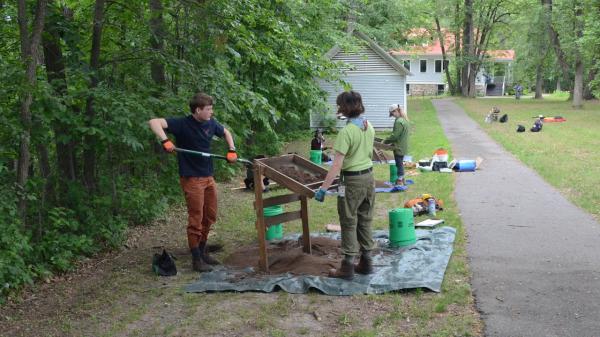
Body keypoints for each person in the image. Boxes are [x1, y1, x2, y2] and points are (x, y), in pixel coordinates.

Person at [148, 92, 237, 273]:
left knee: (210, 215)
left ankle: (203, 250)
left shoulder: (211, 123)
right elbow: (154, 122)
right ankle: (196, 260)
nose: (211, 112)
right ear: (198, 110)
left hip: (208, 177)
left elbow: (226, 132)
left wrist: (232, 149)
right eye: (209, 109)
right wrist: (165, 140)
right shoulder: (182, 124)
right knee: (196, 218)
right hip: (191, 178)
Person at [314, 91, 376, 280]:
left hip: (351, 181)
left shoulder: (346, 132)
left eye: (339, 105)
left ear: (346, 107)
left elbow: (336, 165)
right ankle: (366, 262)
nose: (338, 108)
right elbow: (369, 155)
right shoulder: (368, 126)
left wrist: (323, 188)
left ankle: (347, 267)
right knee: (365, 219)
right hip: (369, 178)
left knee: (348, 222)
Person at [384, 104, 410, 186]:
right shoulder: (404, 120)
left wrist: (385, 141)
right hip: (403, 146)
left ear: (396, 111)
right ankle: (403, 179)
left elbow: (395, 136)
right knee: (400, 163)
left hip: (398, 147)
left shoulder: (399, 121)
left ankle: (399, 181)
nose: (392, 116)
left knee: (399, 164)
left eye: (392, 114)